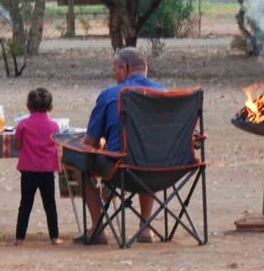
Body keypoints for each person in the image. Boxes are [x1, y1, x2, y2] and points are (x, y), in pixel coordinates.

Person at [64, 46, 164, 244]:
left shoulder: (111, 95)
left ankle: (98, 226)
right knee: (146, 153)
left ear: (125, 68)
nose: (113, 73)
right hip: (164, 168)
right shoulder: (163, 92)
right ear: (146, 68)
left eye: (115, 68)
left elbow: (90, 142)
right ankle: (145, 227)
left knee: (73, 159)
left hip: (121, 169)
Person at [13, 87, 61, 245]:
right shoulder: (54, 126)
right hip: (47, 170)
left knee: (25, 203)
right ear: (50, 106)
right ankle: (54, 236)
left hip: (28, 170)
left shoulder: (23, 125)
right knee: (50, 204)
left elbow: (18, 145)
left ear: (28, 106)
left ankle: (20, 237)